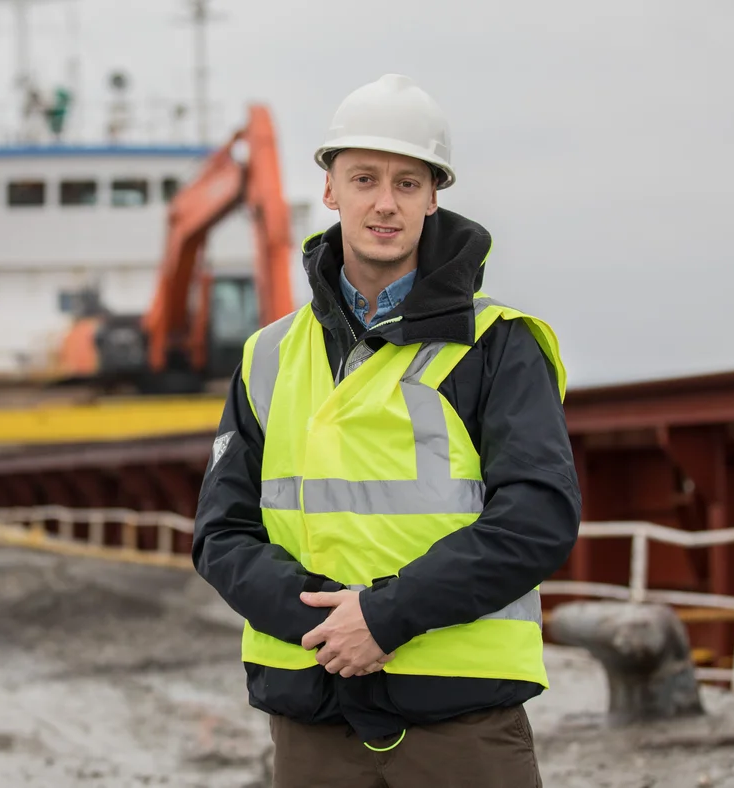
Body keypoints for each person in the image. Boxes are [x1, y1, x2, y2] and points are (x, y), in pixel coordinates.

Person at [191, 73, 582, 787]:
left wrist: (383, 616)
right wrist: (327, 625)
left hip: (461, 723)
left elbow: (538, 517)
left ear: (435, 196)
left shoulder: (498, 345)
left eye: (408, 183)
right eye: (364, 178)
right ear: (331, 189)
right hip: (314, 721)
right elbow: (221, 533)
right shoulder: (269, 355)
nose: (385, 202)